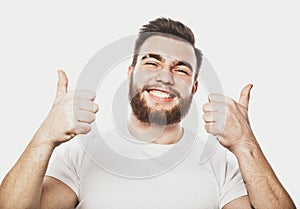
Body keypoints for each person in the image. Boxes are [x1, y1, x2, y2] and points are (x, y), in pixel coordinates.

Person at [0, 17, 296, 209]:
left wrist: (245, 144)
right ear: (131, 73)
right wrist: (45, 137)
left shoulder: (219, 164)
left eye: (180, 69)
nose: (165, 77)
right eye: (152, 63)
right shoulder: (83, 153)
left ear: (193, 88)